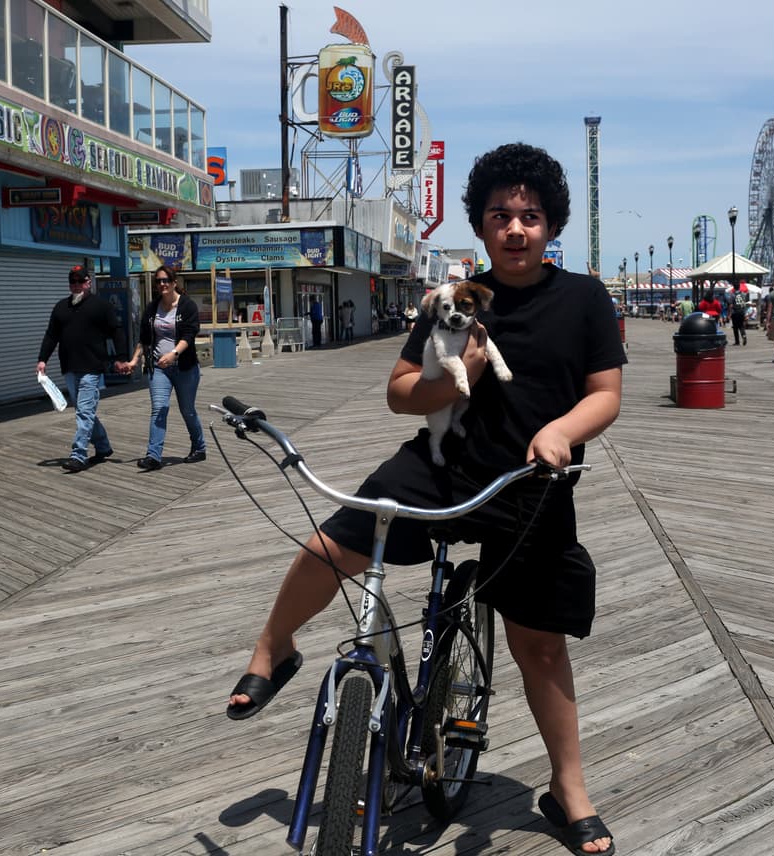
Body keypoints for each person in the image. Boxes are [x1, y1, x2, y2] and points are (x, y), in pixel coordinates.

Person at [225, 142, 624, 855]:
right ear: (480, 224)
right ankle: (272, 648)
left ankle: (569, 790)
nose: (515, 229)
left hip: (532, 481)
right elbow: (399, 392)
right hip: (443, 466)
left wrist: (561, 432)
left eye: (530, 216)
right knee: (332, 545)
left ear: (550, 226)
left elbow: (605, 395)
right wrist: (454, 377)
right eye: (501, 214)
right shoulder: (450, 301)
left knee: (540, 645)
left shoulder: (584, 299)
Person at [36, 265, 127, 473]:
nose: (76, 285)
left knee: (84, 411)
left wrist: (121, 358)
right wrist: (42, 359)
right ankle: (103, 447)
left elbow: (116, 331)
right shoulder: (60, 308)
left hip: (92, 368)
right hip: (69, 367)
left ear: (89, 282)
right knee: (83, 411)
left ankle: (78, 455)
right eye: (72, 282)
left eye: (80, 281)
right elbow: (51, 335)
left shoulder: (101, 306)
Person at [122, 265, 206, 470]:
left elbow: (189, 334)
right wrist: (134, 361)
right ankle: (153, 456)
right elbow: (144, 339)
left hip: (185, 367)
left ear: (174, 282)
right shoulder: (152, 308)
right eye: (158, 281)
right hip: (159, 368)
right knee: (159, 408)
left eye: (166, 280)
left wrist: (174, 353)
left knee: (187, 410)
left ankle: (199, 447)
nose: (162, 284)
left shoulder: (187, 306)